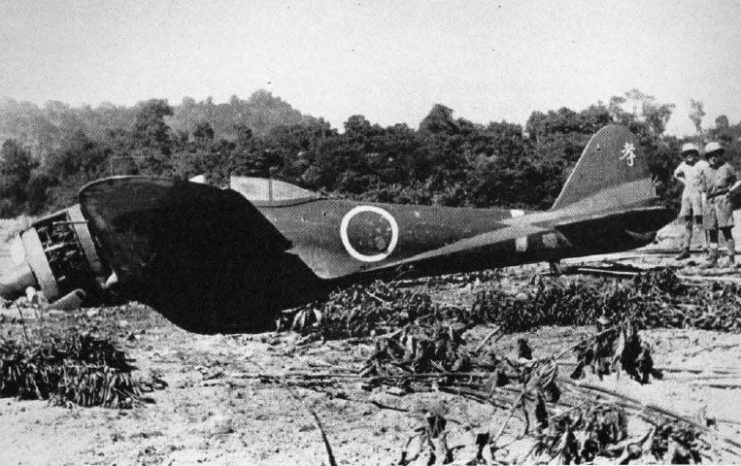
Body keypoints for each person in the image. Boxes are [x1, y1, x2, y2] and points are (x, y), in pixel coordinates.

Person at [702, 142, 741, 267]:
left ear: (720, 155)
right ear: (707, 157)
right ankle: (713, 258)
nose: (713, 158)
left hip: (723, 200)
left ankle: (731, 259)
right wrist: (704, 203)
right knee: (711, 231)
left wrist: (731, 191)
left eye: (716, 155)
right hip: (709, 201)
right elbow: (703, 189)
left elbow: (738, 181)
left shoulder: (727, 167)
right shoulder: (706, 171)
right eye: (710, 155)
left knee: (726, 230)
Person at [673, 143, 708, 260]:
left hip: (697, 194)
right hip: (687, 194)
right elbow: (676, 174)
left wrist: (704, 187)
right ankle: (686, 249)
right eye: (687, 154)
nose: (689, 156)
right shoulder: (683, 165)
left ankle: (705, 247)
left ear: (695, 154)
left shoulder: (702, 164)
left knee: (699, 221)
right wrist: (685, 182)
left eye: (691, 153)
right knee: (687, 222)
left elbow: (710, 174)